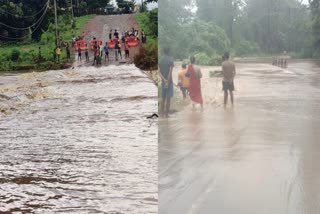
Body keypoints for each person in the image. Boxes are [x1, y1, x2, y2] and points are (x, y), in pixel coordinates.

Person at [159, 47, 174, 118]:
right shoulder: (170, 60)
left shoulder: (160, 60)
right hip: (169, 82)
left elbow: (159, 72)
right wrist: (167, 81)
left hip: (163, 82)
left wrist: (164, 80)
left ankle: (161, 113)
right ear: (169, 52)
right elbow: (170, 72)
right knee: (168, 99)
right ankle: (167, 114)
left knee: (163, 98)